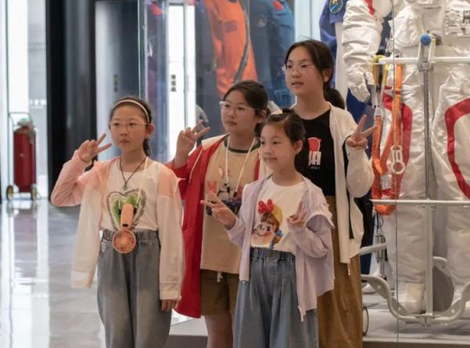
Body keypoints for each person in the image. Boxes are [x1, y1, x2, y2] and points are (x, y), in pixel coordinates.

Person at [51, 96, 184, 348]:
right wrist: (80, 161)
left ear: (148, 130)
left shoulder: (162, 175)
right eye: (117, 124)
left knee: (149, 335)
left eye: (132, 124)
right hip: (112, 253)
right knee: (117, 333)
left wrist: (170, 286)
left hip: (150, 255)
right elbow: (60, 197)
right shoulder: (100, 172)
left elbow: (171, 235)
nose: (124, 131)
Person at [204, 111, 334, 348]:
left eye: (276, 142)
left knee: (290, 340)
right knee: (250, 339)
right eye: (263, 143)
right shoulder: (254, 190)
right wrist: (230, 221)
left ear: (297, 146)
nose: (267, 150)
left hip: (290, 274)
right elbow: (245, 239)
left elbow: (322, 248)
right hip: (253, 272)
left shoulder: (310, 194)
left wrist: (300, 231)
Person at [284, 39, 374, 348]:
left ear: (326, 74)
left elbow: (360, 188)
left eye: (303, 66)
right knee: (294, 309)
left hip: (332, 224)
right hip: (289, 220)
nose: (295, 73)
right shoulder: (282, 122)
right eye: (289, 66)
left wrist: (357, 153)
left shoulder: (342, 120)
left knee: (336, 310)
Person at [168, 80, 270, 348]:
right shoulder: (207, 149)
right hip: (209, 258)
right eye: (226, 106)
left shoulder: (267, 155)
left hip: (247, 260)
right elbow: (175, 188)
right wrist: (181, 155)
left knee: (247, 336)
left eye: (240, 108)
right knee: (217, 336)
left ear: (260, 116)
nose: (230, 114)